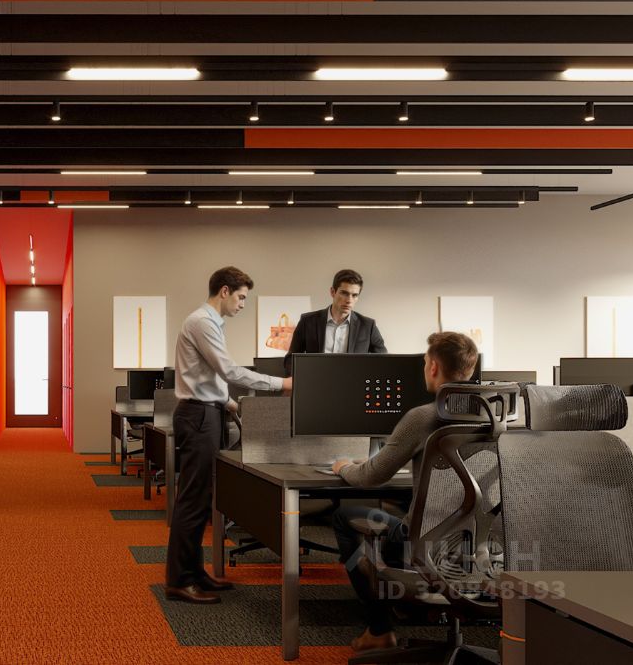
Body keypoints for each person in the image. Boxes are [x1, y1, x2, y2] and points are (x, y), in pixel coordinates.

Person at [329, 331, 480, 652]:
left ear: (434, 367)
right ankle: (407, 601)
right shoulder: (495, 417)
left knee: (345, 517)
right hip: (477, 546)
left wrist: (343, 467)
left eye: (425, 362)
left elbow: (371, 477)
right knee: (397, 514)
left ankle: (380, 628)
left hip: (425, 542)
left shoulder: (424, 416)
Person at [166, 266, 293, 604]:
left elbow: (208, 377)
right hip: (198, 417)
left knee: (202, 499)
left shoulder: (210, 323)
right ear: (224, 291)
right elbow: (229, 370)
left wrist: (231, 404)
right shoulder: (202, 322)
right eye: (241, 297)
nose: (242, 304)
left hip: (208, 413)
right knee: (192, 500)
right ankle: (179, 580)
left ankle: (195, 572)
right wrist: (280, 384)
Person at [283, 269, 387, 376]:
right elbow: (291, 358)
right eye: (344, 293)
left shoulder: (368, 326)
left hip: (353, 383)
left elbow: (383, 361)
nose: (349, 300)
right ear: (333, 292)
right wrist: (296, 380)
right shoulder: (308, 321)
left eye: (354, 295)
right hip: (315, 382)